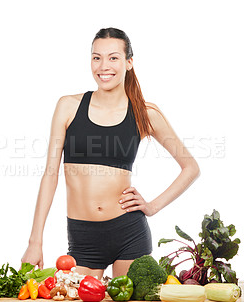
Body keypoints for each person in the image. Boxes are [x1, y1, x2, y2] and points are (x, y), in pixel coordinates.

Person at [21, 27, 200, 279]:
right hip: (83, 237)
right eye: (97, 57)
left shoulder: (145, 113)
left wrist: (152, 206)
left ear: (129, 62)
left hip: (128, 234)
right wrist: (35, 241)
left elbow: (191, 168)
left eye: (113, 57)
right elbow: (50, 176)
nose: (103, 66)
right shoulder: (68, 106)